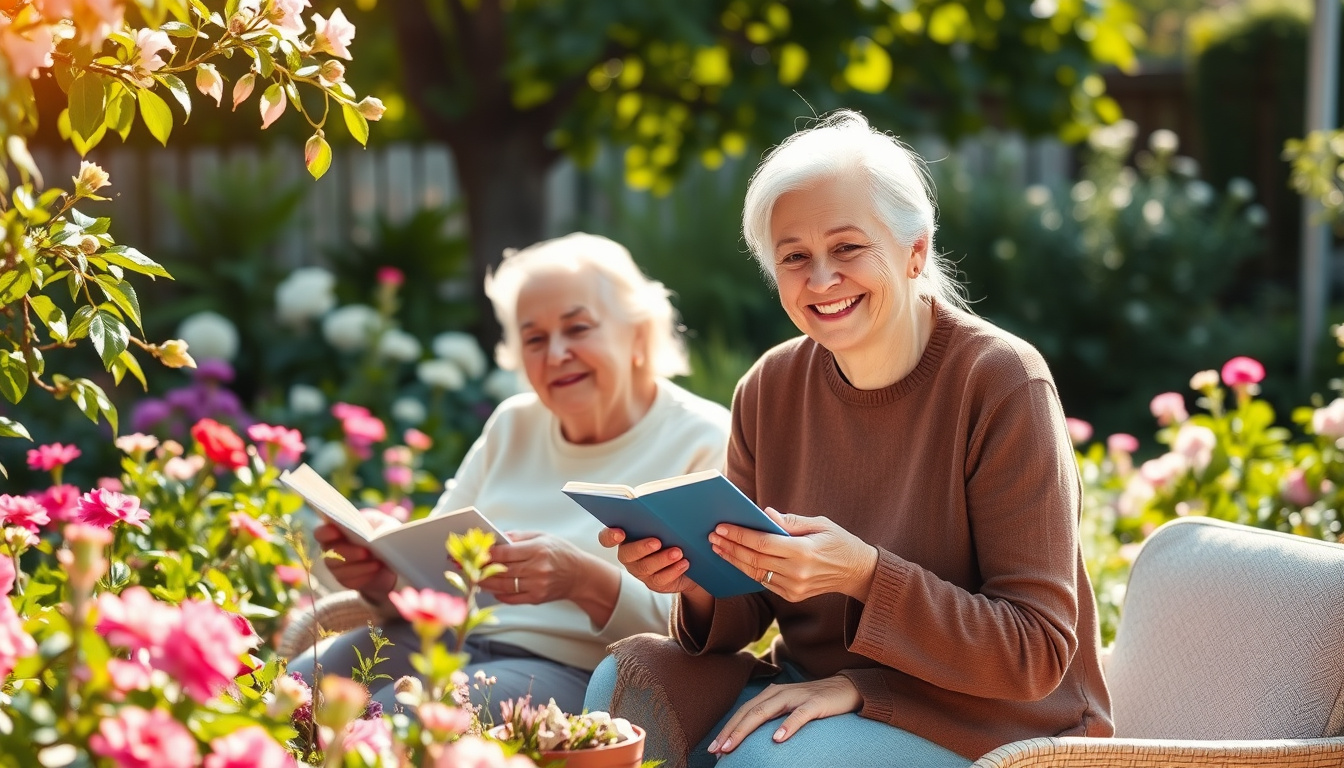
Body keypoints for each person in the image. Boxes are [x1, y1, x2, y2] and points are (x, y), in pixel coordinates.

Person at [586, 111, 1113, 768]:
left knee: (770, 760)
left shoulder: (999, 381)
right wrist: (688, 575)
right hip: (820, 696)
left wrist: (866, 577)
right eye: (795, 257)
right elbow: (743, 613)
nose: (821, 280)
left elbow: (1032, 653)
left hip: (1001, 725)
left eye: (848, 248)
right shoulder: (769, 386)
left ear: (915, 251)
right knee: (624, 687)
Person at [291, 233, 731, 715]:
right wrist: (377, 577)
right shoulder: (512, 423)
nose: (556, 353)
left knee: (404, 719)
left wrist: (584, 580)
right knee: (291, 690)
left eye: (578, 328)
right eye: (535, 339)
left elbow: (706, 629)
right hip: (450, 641)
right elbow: (433, 573)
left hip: (587, 673)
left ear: (639, 334)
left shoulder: (704, 438)